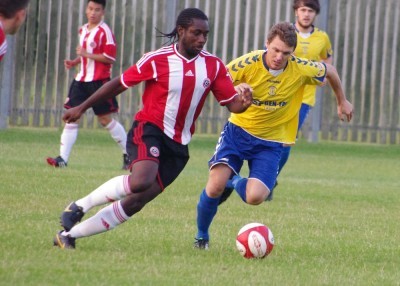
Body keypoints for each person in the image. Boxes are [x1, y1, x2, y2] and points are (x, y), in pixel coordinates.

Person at [52, 8, 253, 249]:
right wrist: (82, 107)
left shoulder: (213, 66)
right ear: (181, 31)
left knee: (137, 201)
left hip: (179, 145)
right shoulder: (157, 59)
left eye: (205, 35)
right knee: (140, 181)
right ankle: (79, 206)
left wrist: (244, 102)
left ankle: (69, 236)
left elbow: (232, 104)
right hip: (149, 129)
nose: (201, 39)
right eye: (196, 33)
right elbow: (118, 84)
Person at [193, 22, 353, 250]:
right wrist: (235, 88)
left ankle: (234, 180)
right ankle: (201, 237)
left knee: (255, 197)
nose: (279, 56)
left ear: (293, 53)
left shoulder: (300, 68)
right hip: (237, 133)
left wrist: (342, 101)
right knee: (214, 187)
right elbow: (219, 78)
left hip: (271, 143)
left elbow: (331, 71)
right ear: (267, 44)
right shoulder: (247, 63)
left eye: (286, 53)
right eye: (275, 50)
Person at [46, 0, 130, 170]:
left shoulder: (105, 32)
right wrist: (76, 61)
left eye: (97, 10)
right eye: (91, 9)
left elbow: (109, 57)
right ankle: (62, 159)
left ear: (103, 12)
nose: (93, 13)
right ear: (86, 10)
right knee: (71, 117)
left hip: (99, 83)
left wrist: (86, 54)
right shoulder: (83, 29)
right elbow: (87, 56)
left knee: (105, 119)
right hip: (80, 81)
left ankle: (129, 154)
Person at [276, 0, 333, 184]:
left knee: (287, 140)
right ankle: (264, 174)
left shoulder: (322, 38)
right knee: (270, 136)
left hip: (304, 97)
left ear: (315, 13)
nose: (306, 14)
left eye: (310, 10)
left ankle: (271, 178)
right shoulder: (285, 33)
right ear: (296, 12)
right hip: (278, 93)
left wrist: (323, 75)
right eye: (303, 10)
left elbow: (327, 58)